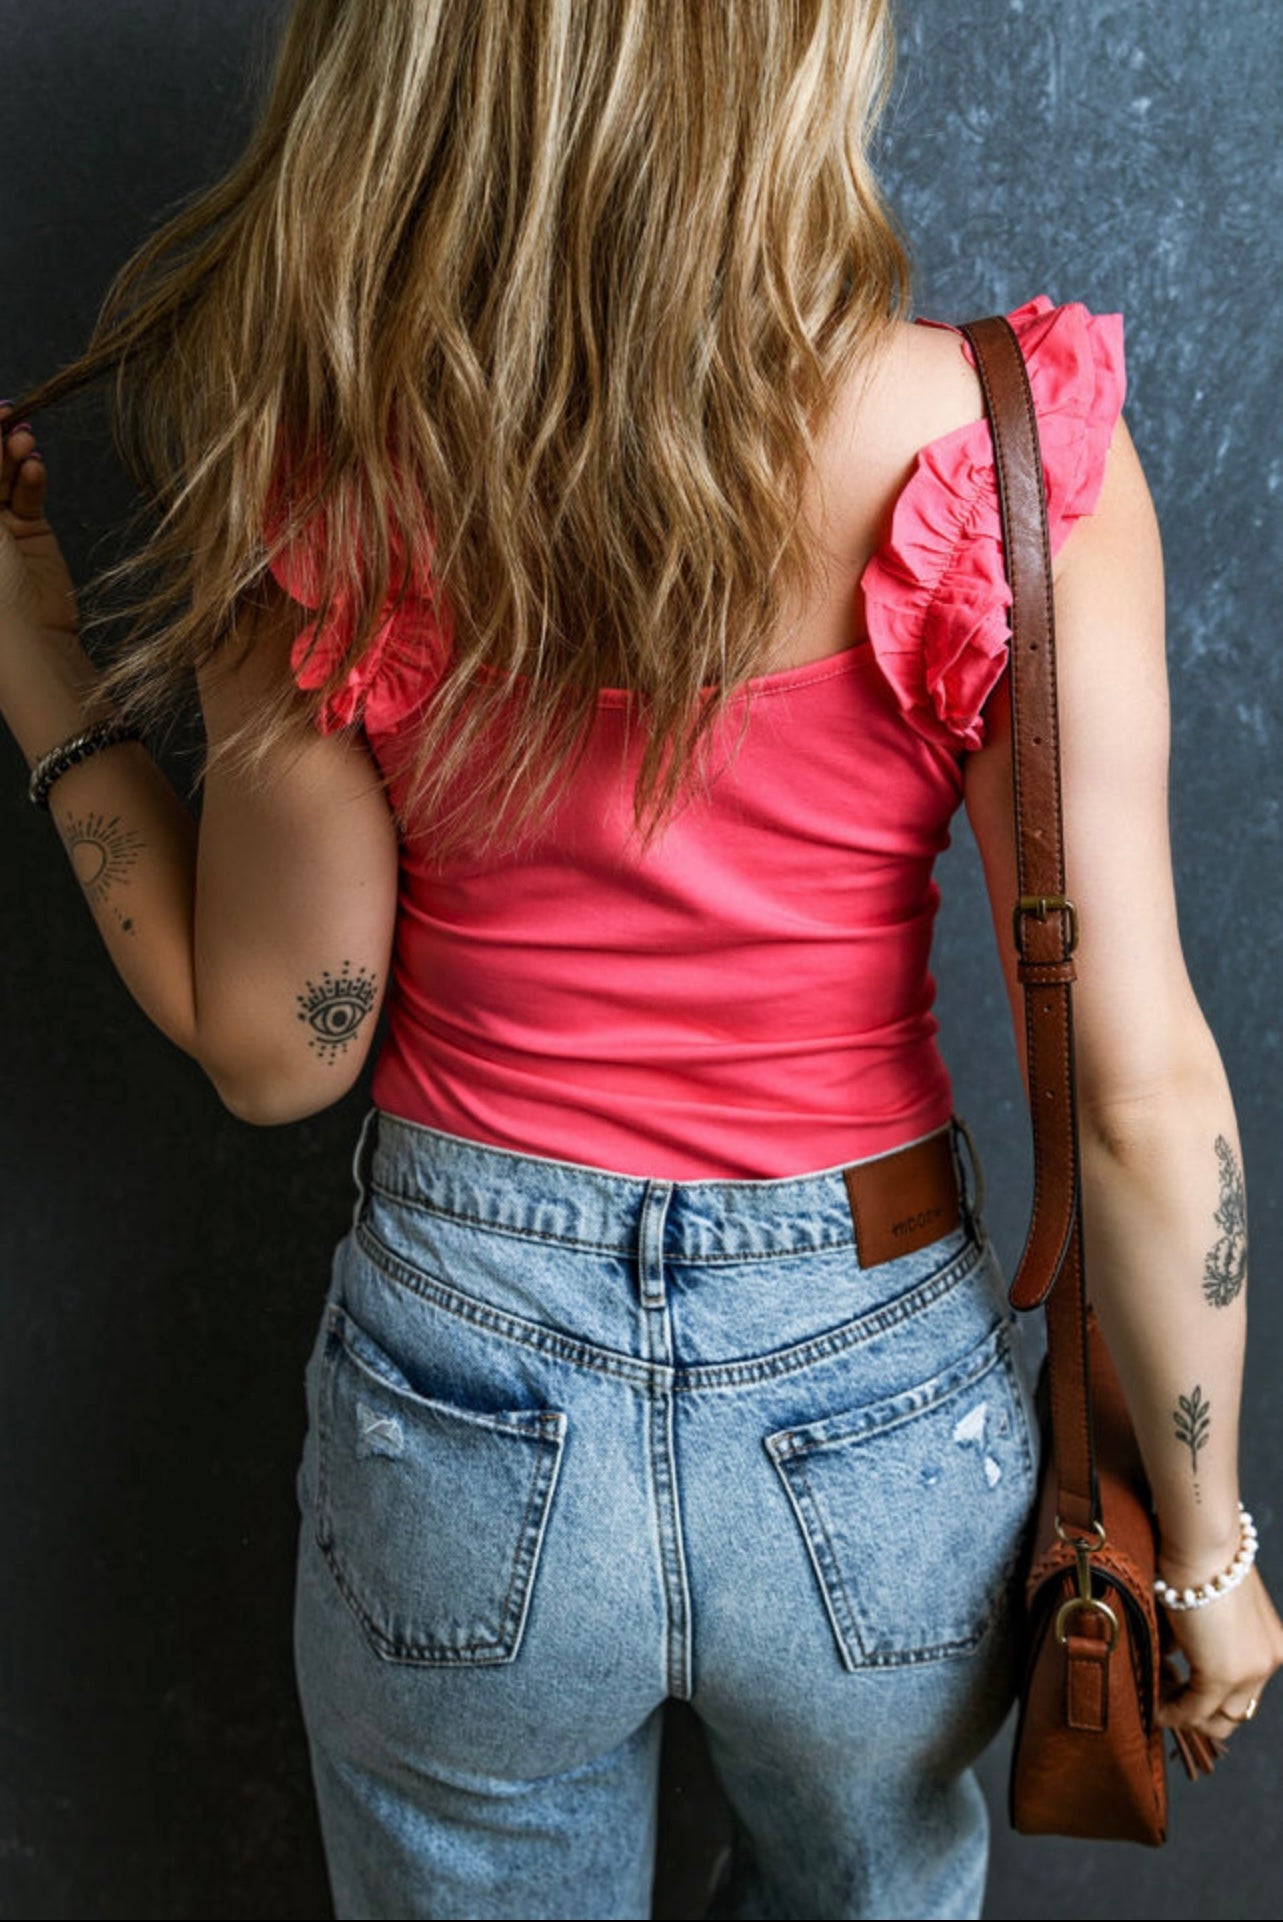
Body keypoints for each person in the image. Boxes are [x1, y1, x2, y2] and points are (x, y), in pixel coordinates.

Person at [2, 4, 1280, 1918]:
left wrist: (33, 651)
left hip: (461, 1399)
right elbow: (1140, 1088)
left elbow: (282, 1045)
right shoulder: (1009, 461)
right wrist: (1202, 1548)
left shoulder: (329, 472)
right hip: (872, 1413)